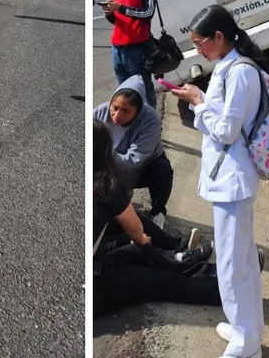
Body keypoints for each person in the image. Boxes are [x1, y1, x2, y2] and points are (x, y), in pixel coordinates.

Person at [167, 4, 269, 358]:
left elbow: (226, 131)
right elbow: (227, 119)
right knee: (239, 262)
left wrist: (197, 102)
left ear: (220, 37)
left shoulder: (239, 72)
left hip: (233, 180)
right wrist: (200, 100)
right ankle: (247, 331)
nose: (198, 51)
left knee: (231, 267)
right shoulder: (230, 66)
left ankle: (246, 345)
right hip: (230, 178)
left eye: (201, 43)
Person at [92, 120, 220, 318]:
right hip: (96, 286)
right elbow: (135, 229)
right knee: (169, 282)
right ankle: (234, 289)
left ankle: (199, 264)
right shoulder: (105, 185)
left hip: (98, 265)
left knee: (138, 253)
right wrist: (143, 241)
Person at [92, 77, 175, 218]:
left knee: (163, 170)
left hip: (141, 167)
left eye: (125, 110)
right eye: (115, 108)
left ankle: (157, 213)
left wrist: (103, 153)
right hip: (110, 168)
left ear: (138, 110)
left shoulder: (150, 120)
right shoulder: (99, 112)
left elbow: (133, 161)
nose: (117, 115)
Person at [101, 0, 157, 107]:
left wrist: (121, 8)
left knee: (143, 90)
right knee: (124, 91)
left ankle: (150, 125)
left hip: (136, 48)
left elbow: (148, 12)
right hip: (117, 48)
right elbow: (117, 21)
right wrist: (109, 14)